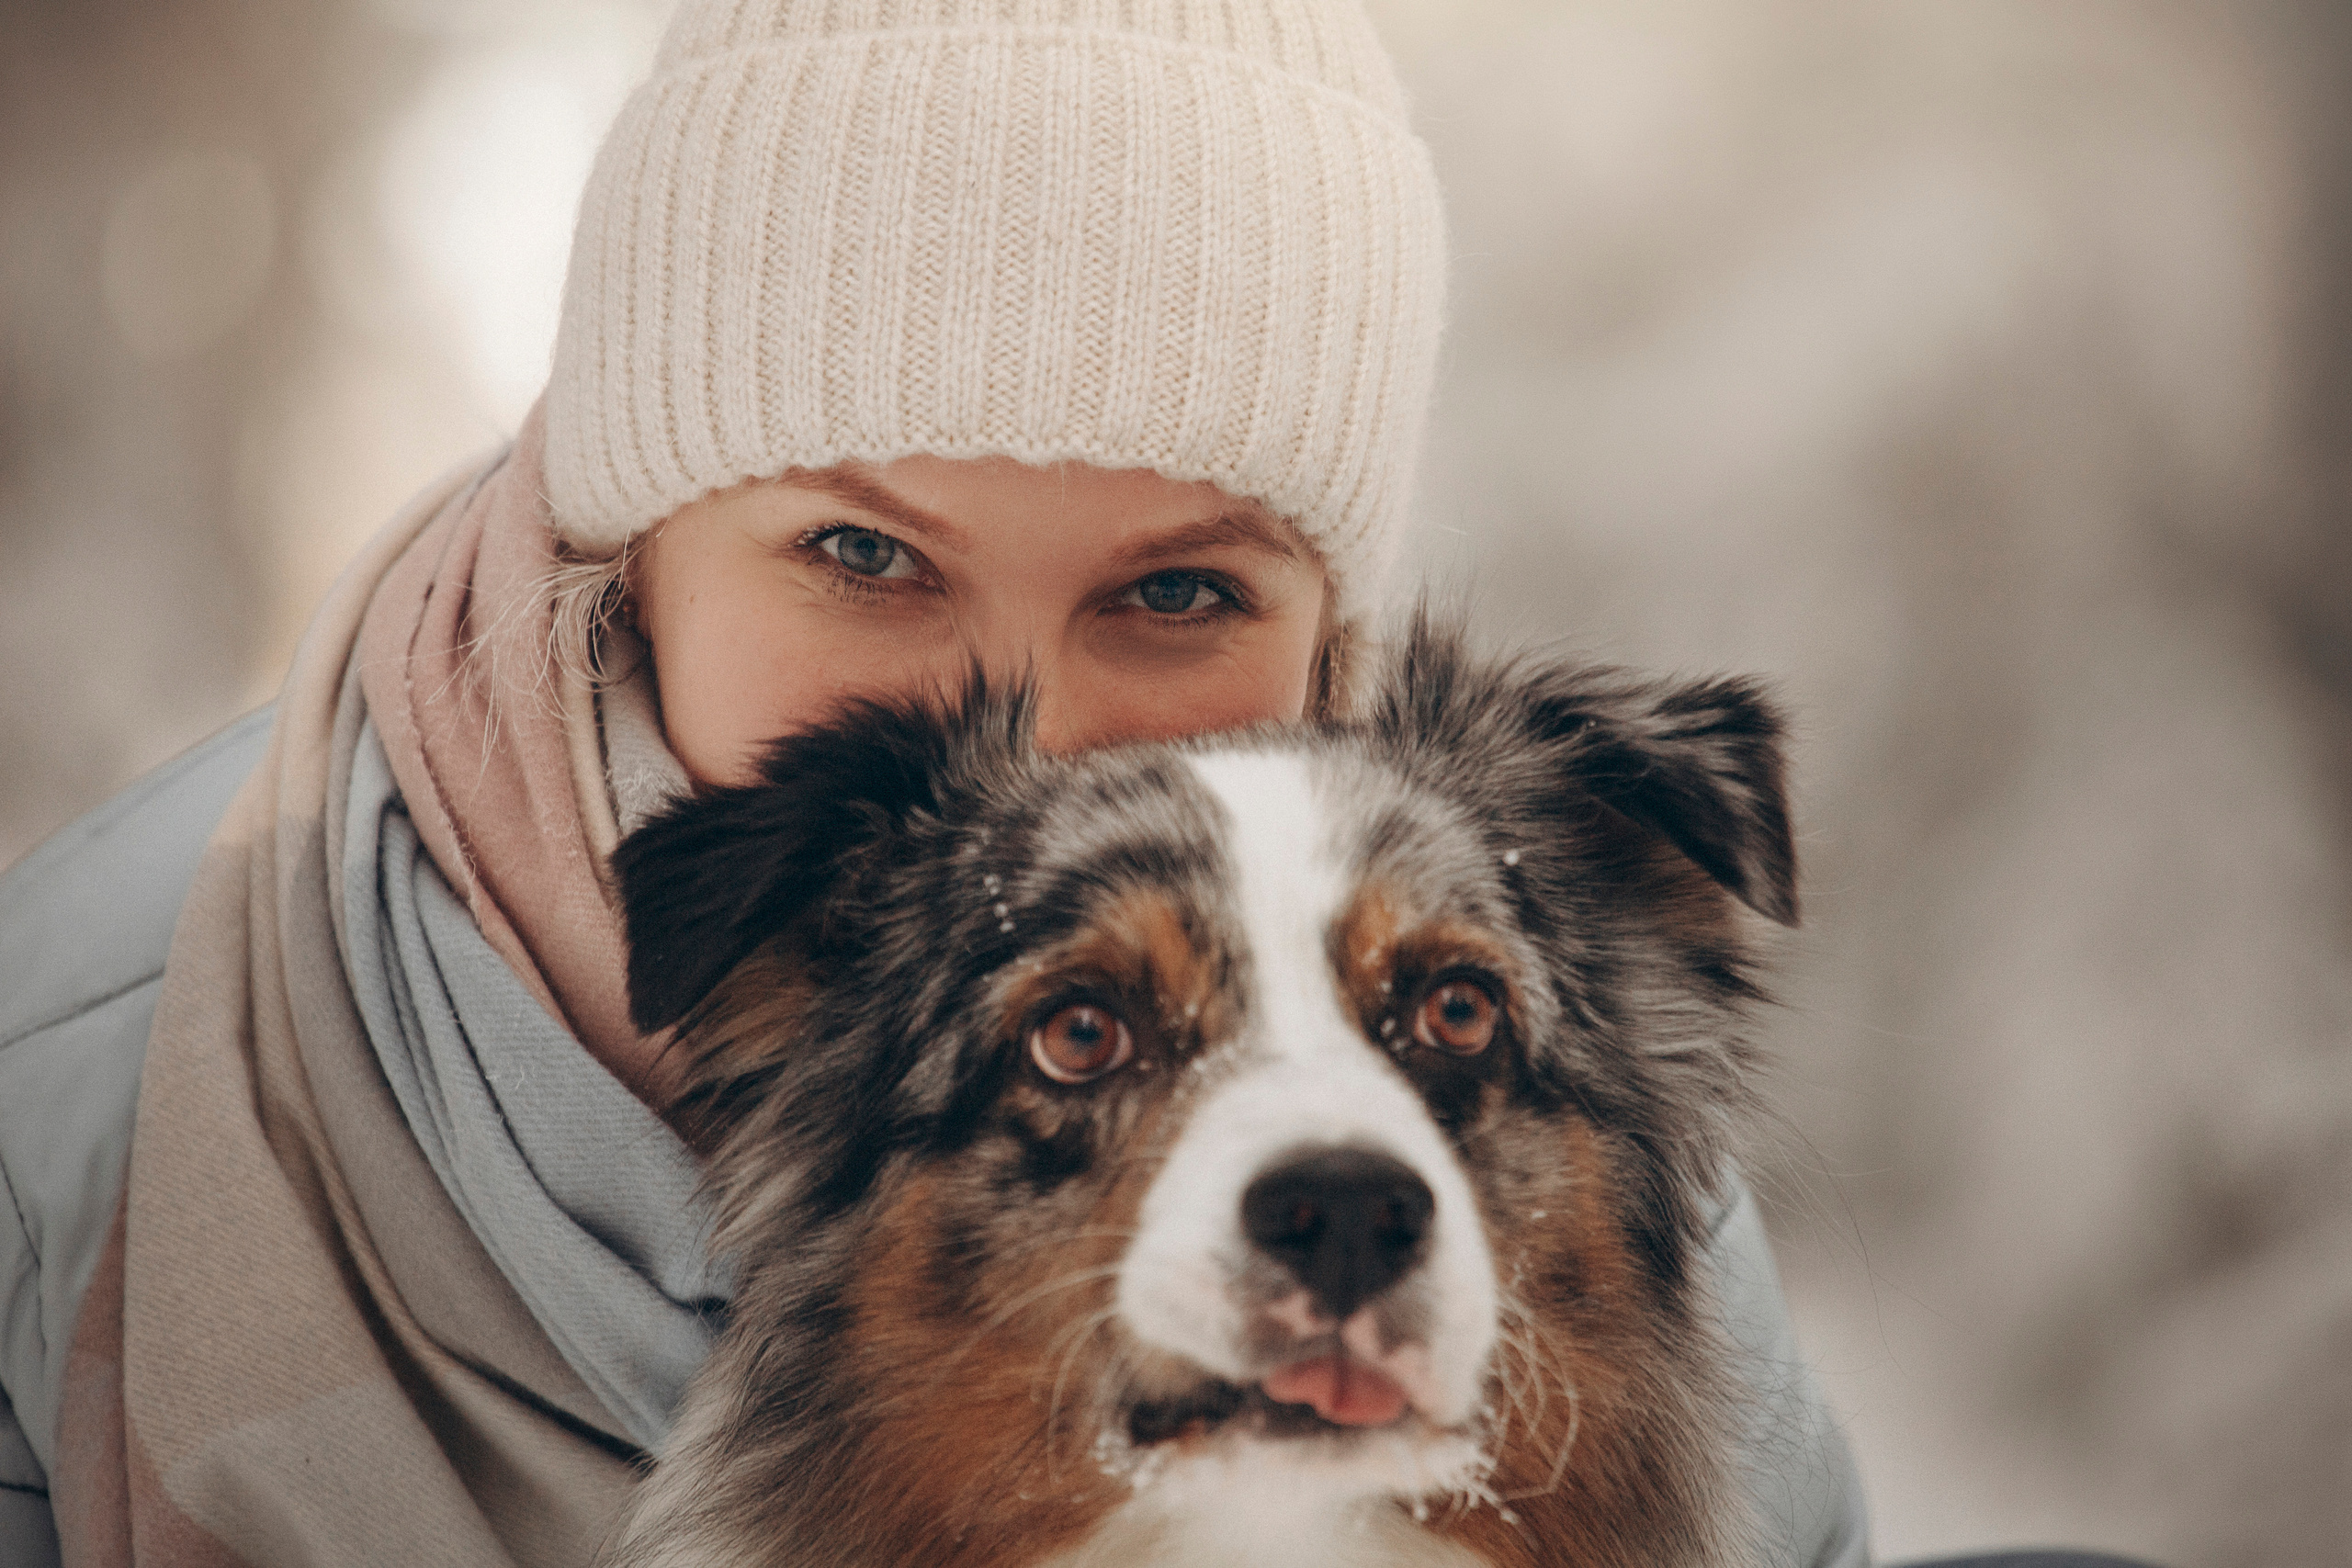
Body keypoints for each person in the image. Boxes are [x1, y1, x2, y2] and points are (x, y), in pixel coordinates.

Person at [0, 1, 1872, 1563]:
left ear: (1325, 633)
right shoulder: (61, 1082)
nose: (1036, 724)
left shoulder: (1543, 1121)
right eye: (865, 557)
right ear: (630, 537)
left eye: (1176, 588)